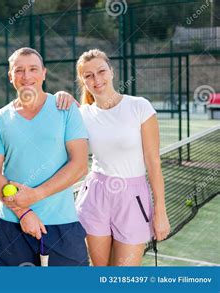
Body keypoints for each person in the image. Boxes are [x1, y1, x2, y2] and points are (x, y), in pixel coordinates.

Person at [55, 49, 171, 266]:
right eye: (88, 75)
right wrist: (62, 95)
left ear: (111, 72)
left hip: (132, 199)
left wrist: (160, 212)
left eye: (101, 71)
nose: (96, 79)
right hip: (95, 197)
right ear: (83, 81)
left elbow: (154, 163)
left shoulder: (139, 106)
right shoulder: (82, 115)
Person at [0, 47, 89, 266]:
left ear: (44, 73)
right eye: (19, 70)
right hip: (12, 227)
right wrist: (23, 212)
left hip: (62, 226)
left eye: (33, 69)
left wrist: (35, 195)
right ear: (10, 76)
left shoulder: (66, 109)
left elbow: (79, 165)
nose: (26, 76)